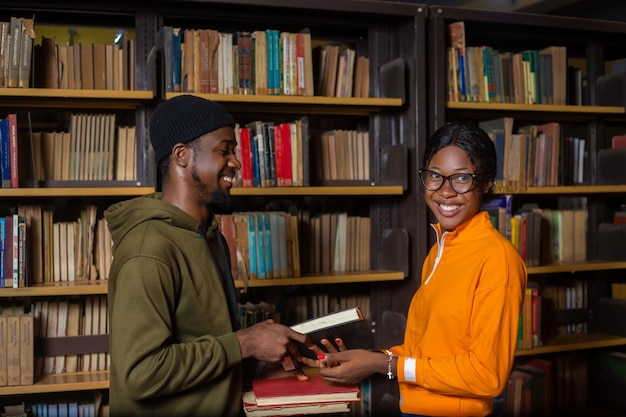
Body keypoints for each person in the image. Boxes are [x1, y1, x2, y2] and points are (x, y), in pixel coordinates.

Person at [105, 95, 313, 417]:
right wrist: (247, 343)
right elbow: (140, 374)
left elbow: (207, 346)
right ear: (182, 155)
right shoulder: (148, 251)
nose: (236, 163)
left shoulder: (211, 237)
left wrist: (257, 367)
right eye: (224, 150)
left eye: (234, 151)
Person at [316, 122, 528, 417]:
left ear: (487, 182)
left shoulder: (497, 258)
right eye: (435, 176)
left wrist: (383, 365)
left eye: (462, 178)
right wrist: (371, 359)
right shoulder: (439, 251)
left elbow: (485, 375)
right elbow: (430, 352)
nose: (445, 192)